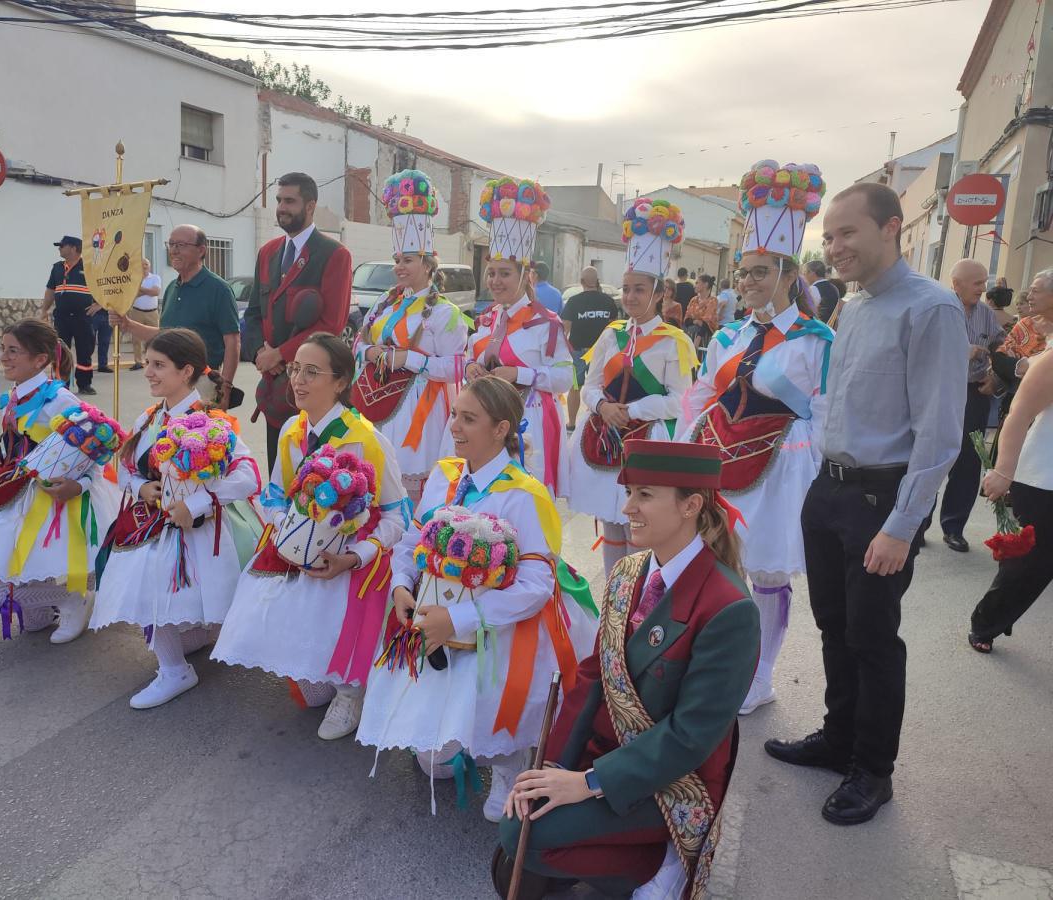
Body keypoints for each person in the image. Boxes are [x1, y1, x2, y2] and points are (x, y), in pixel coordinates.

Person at [766, 182, 967, 826]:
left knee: (873, 639)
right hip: (829, 491)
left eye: (847, 232)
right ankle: (838, 739)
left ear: (892, 228)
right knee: (833, 625)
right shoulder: (852, 306)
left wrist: (902, 527)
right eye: (828, 236)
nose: (835, 246)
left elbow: (938, 436)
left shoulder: (930, 309)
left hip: (882, 498)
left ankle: (872, 770)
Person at [492, 440, 758, 900]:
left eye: (645, 495)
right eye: (630, 492)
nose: (627, 507)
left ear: (691, 505)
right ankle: (609, 852)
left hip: (672, 782)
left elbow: (689, 738)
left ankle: (663, 864)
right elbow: (594, 675)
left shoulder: (729, 608)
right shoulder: (629, 571)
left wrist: (588, 783)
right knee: (518, 827)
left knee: (524, 838)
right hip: (607, 753)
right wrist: (553, 763)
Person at [357, 376, 595, 821]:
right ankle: (456, 743)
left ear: (501, 428)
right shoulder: (444, 476)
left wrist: (461, 618)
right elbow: (411, 541)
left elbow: (536, 585)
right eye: (454, 415)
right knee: (435, 760)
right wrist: (401, 586)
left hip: (499, 626)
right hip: (435, 615)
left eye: (469, 419)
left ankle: (509, 764)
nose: (455, 426)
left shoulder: (525, 495)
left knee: (497, 711)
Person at [682, 160, 833, 716]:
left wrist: (803, 470)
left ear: (790, 274)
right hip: (720, 463)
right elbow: (700, 397)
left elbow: (824, 414)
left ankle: (761, 672)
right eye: (742, 273)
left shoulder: (815, 341)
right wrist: (683, 452)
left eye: (760, 272)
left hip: (778, 469)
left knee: (766, 572)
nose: (747, 283)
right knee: (720, 567)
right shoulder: (726, 336)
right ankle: (717, 663)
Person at [213, 333, 407, 741]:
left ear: (340, 382)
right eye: (296, 369)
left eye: (312, 372)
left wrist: (355, 555)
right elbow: (274, 493)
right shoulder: (290, 431)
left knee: (334, 625)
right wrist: (287, 524)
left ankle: (351, 692)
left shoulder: (368, 440)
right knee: (299, 655)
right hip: (296, 551)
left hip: (351, 562)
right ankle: (324, 677)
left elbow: (395, 517)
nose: (298, 380)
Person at [90, 328, 262, 709]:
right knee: (153, 591)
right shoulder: (150, 417)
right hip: (152, 524)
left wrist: (197, 503)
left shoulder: (212, 422)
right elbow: (125, 467)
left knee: (162, 589)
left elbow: (248, 475)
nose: (148, 372)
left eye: (158, 365)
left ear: (187, 371)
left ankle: (177, 667)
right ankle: (175, 663)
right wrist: (140, 488)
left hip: (197, 530)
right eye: (148, 363)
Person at [0, 318, 121, 643]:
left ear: (40, 359)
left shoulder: (61, 401)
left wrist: (79, 486)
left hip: (49, 499)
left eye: (13, 351)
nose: (4, 357)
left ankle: (73, 597)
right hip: (10, 491)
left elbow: (97, 449)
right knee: (31, 620)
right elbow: (14, 440)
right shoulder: (15, 394)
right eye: (4, 350)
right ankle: (53, 600)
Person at [569, 197, 696, 579]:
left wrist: (633, 412)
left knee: (637, 525)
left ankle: (638, 596)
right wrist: (600, 408)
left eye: (639, 289)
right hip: (604, 438)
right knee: (610, 524)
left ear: (659, 293)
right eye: (625, 289)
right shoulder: (611, 334)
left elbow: (680, 402)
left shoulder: (674, 341)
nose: (630, 297)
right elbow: (589, 385)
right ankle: (613, 594)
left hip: (648, 440)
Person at [444, 176, 573, 498]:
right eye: (492, 273)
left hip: (530, 421)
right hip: (486, 420)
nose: (496, 281)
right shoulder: (486, 320)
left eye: (505, 274)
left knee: (524, 499)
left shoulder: (547, 322)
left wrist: (519, 374)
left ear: (525, 276)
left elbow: (564, 378)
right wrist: (472, 367)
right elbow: (470, 358)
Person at [351, 168, 469, 506]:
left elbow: (458, 367)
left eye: (408, 260)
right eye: (397, 260)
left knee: (410, 495)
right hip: (378, 403)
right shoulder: (385, 303)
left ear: (429, 263)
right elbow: (358, 342)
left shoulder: (446, 313)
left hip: (420, 412)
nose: (399, 267)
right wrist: (371, 353)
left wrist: (410, 360)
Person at [243, 173, 354, 471]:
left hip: (315, 388)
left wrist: (281, 354)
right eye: (279, 200)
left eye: (289, 201)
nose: (281, 207)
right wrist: (259, 355)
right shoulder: (268, 253)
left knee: (316, 478)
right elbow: (253, 313)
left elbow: (331, 323)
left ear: (310, 206)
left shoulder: (335, 254)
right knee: (278, 473)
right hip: (275, 393)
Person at [967, 347, 1053, 653]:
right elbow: (1019, 413)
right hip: (1044, 480)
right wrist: (1003, 470)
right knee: (1029, 567)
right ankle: (987, 621)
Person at [111, 226, 240, 409]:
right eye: (171, 244)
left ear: (201, 250)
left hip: (202, 383)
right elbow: (163, 336)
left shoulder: (218, 289)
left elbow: (233, 342)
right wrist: (127, 324)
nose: (174, 250)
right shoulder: (172, 287)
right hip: (171, 384)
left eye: (181, 245)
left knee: (203, 435)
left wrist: (225, 388)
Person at [934, 259, 1004, 553]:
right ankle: (914, 525)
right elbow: (925, 347)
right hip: (939, 393)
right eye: (978, 283)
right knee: (932, 458)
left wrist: (997, 378)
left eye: (984, 282)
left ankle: (953, 528)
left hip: (974, 394)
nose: (983, 288)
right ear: (956, 283)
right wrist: (963, 352)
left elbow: (1003, 348)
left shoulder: (986, 314)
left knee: (968, 462)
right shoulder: (937, 310)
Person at [561, 266, 620, 431]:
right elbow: (615, 327)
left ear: (581, 282)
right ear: (597, 281)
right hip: (602, 352)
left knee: (575, 387)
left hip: (578, 350)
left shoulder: (574, 301)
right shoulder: (608, 301)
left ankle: (572, 423)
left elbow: (564, 329)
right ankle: (596, 423)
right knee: (601, 387)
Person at [41, 236, 97, 395]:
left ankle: (84, 384)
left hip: (83, 316)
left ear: (73, 248)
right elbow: (50, 290)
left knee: (84, 350)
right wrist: (44, 310)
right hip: (62, 316)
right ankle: (60, 383)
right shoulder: (57, 267)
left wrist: (99, 304)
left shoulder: (89, 266)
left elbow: (103, 287)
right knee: (60, 351)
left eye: (62, 246)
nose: (59, 248)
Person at [128, 257, 162, 370]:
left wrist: (140, 289)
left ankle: (154, 360)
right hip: (137, 312)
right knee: (136, 339)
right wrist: (148, 291)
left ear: (149, 266)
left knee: (154, 338)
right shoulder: (134, 279)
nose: (144, 267)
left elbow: (156, 292)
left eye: (146, 264)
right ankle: (138, 362)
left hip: (152, 313)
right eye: (142, 264)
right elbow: (133, 294)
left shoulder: (155, 278)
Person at [683, 274, 719, 348]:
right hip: (689, 334)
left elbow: (708, 322)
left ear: (705, 284)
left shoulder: (712, 300)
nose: (694, 286)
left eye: (697, 283)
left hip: (703, 337)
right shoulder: (693, 300)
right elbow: (686, 319)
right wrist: (696, 321)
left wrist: (698, 338)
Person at [804, 259, 841, 325]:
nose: (804, 275)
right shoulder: (834, 288)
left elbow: (806, 313)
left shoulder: (813, 289)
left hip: (818, 329)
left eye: (806, 272)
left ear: (812, 273)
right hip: (831, 329)